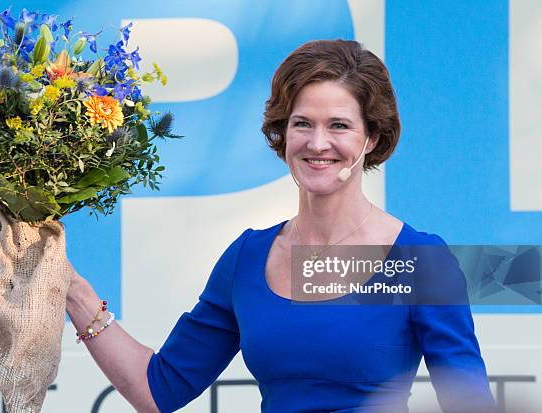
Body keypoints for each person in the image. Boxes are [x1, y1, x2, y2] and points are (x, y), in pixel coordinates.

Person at [66, 39, 498, 412]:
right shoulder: (248, 258)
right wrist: (71, 290)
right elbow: (159, 388)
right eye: (302, 123)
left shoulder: (419, 262)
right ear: (283, 134)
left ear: (371, 138)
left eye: (340, 126)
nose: (318, 143)